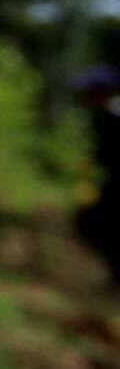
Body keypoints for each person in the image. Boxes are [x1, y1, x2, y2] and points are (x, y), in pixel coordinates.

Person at [71, 66, 120, 286]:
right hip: (111, 182)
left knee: (93, 224)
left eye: (88, 91)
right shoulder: (105, 114)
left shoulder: (114, 114)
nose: (84, 96)